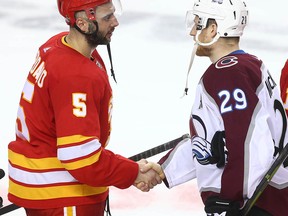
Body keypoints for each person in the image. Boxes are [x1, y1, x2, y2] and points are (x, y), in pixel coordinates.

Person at [7, 0, 163, 215]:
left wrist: (124, 167)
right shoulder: (75, 75)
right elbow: (80, 159)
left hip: (51, 187)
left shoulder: (60, 45)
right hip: (62, 195)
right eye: (107, 17)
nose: (115, 22)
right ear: (82, 23)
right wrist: (132, 172)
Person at [140, 0, 288, 215]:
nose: (192, 31)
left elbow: (248, 141)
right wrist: (164, 169)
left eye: (198, 23)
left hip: (257, 204)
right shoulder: (248, 64)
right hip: (264, 199)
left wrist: (230, 198)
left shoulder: (228, 74)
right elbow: (213, 142)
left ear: (213, 29)